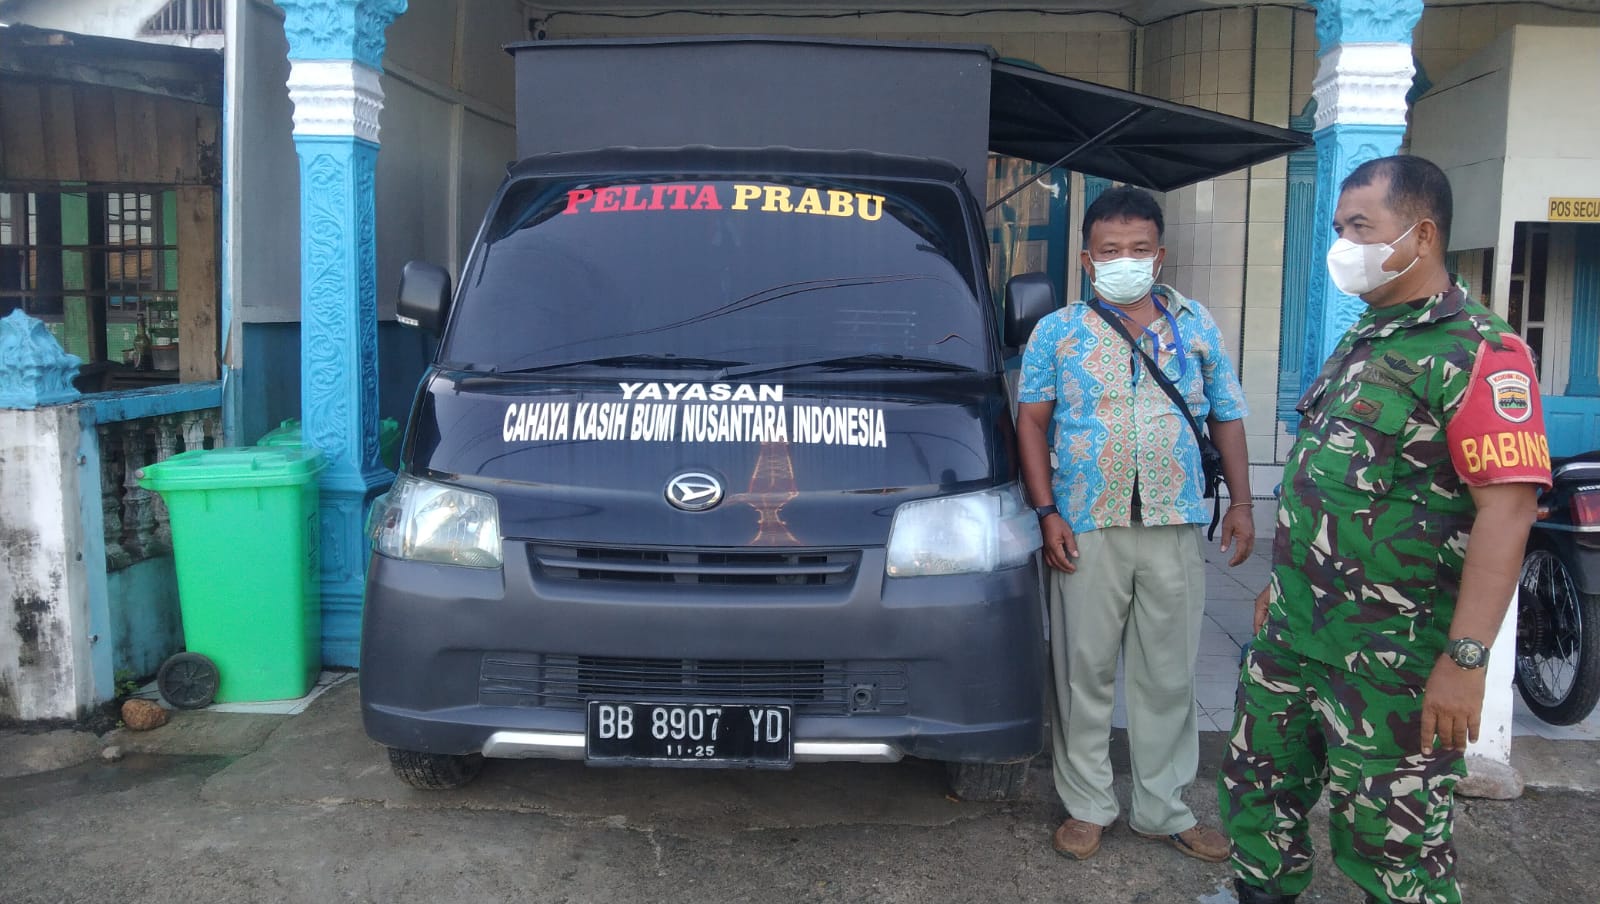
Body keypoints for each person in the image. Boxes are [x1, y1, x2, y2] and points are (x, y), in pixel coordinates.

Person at [1218, 156, 1552, 904]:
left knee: (1390, 841)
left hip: (1391, 659)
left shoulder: (1480, 353)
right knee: (1257, 790)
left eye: (1361, 227)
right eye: (1340, 228)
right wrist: (1282, 584)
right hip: (1296, 634)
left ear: (1421, 234)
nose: (1344, 245)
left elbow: (1507, 510)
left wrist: (1466, 659)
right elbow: (1327, 482)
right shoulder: (1366, 338)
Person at [1017, 185, 1256, 863]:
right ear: (1087, 260)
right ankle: (1087, 805)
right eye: (1110, 250)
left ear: (1160, 254)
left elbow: (1227, 415)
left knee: (1168, 676)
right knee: (1082, 673)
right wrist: (1046, 512)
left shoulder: (1195, 324)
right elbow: (1030, 422)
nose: (1125, 259)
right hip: (1085, 523)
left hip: (1173, 522)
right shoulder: (1057, 331)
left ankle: (1163, 808)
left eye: (1139, 248)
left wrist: (1242, 504)